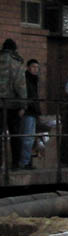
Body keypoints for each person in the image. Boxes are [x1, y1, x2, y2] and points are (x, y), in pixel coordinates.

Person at [0, 39, 26, 171]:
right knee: (15, 134)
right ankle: (16, 163)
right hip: (12, 105)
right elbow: (20, 86)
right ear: (14, 49)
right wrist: (23, 105)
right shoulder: (16, 63)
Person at [18, 58, 41, 170]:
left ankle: (24, 161)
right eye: (33, 67)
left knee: (28, 137)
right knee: (28, 138)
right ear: (28, 67)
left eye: (37, 67)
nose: (35, 69)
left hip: (31, 111)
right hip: (28, 111)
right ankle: (24, 162)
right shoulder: (27, 79)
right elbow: (28, 96)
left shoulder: (33, 79)